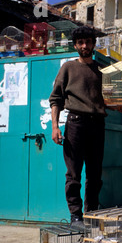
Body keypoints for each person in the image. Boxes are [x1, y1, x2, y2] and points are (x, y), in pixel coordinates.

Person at [49, 26, 106, 229]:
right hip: (75, 124)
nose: (85, 46)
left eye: (88, 42)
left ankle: (91, 214)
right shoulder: (68, 68)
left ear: (93, 44)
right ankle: (75, 216)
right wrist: (55, 126)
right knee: (73, 174)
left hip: (98, 125)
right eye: (80, 42)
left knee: (95, 174)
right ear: (75, 45)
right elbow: (56, 99)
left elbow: (111, 100)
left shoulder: (102, 71)